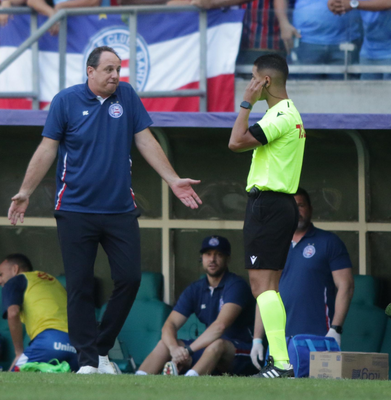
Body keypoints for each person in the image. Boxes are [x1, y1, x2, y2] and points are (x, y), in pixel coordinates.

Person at [7, 46, 202, 374]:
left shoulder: (126, 96)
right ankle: (87, 361)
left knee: (130, 278)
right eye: (109, 69)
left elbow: (145, 140)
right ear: (90, 71)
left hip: (120, 210)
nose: (115, 76)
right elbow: (47, 148)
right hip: (74, 210)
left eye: (118, 69)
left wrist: (172, 179)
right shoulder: (65, 101)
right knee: (80, 285)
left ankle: (99, 349)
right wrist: (25, 191)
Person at [228, 53, 305, 378]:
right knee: (266, 285)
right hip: (273, 205)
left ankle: (282, 363)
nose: (250, 85)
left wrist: (245, 104)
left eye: (253, 78)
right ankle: (280, 363)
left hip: (270, 205)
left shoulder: (282, 115)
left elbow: (236, 142)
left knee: (263, 286)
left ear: (266, 82)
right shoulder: (287, 114)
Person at [250, 188, 354, 369]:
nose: (297, 211)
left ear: (310, 209)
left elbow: (346, 285)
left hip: (318, 338)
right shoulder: (272, 245)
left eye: (301, 205)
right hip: (279, 341)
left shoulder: (329, 242)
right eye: (291, 207)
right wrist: (257, 339)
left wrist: (336, 329)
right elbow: (264, 294)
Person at [136, 236, 257, 377]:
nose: (212, 259)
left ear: (227, 259)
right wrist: (175, 349)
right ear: (202, 258)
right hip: (209, 350)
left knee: (217, 344)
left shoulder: (236, 285)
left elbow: (220, 326)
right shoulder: (196, 289)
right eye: (208, 254)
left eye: (218, 254)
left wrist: (187, 351)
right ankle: (137, 380)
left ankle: (190, 380)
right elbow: (170, 324)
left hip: (241, 351)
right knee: (165, 343)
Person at [0, 253, 78, 371]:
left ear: (15, 269)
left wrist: (19, 353)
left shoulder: (14, 281)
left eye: (1, 274)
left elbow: (13, 313)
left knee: (8, 383)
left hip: (49, 342)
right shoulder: (53, 282)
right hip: (76, 347)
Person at [274, 0, 361, 79]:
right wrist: (283, 23)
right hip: (305, 39)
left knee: (345, 92)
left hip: (346, 43)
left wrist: (349, 3)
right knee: (304, 91)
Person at [328, 0, 391, 80]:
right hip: (368, 52)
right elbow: (335, 3)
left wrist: (353, 4)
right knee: (367, 91)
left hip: (389, 53)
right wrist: (335, 5)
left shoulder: (355, 4)